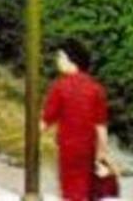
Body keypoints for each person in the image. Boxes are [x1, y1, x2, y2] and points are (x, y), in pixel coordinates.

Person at [41, 47, 114, 201]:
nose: (57, 61)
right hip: (89, 148)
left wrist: (32, 136)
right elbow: (101, 125)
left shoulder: (60, 87)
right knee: (88, 190)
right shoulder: (96, 89)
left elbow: (47, 119)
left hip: (68, 147)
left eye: (61, 57)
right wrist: (103, 152)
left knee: (71, 190)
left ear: (72, 61)